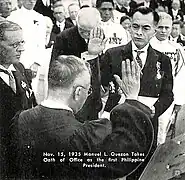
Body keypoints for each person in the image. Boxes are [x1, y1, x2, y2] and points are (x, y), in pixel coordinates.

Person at [11, 51, 154, 179]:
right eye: (88, 89)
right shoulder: (80, 135)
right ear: (78, 92)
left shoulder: (21, 119)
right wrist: (132, 100)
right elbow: (125, 155)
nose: (87, 94)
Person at [94, 7, 173, 164]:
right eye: (135, 26)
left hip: (147, 125)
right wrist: (94, 57)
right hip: (117, 123)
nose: (139, 32)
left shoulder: (163, 60)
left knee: (142, 169)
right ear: (129, 27)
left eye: (145, 28)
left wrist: (154, 110)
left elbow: (168, 95)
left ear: (155, 30)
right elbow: (98, 87)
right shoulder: (112, 55)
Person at [0, 20, 37, 178]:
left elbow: (32, 105)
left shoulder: (20, 68)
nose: (21, 48)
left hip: (23, 156)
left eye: (22, 42)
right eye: (14, 44)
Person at [150, 12, 185, 145]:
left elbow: (181, 74)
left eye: (167, 28)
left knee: (162, 131)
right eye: (160, 27)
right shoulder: (148, 45)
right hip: (148, 94)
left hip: (167, 95)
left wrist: (179, 100)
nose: (163, 31)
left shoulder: (177, 49)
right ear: (155, 27)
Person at [8, 0, 48, 101]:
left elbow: (41, 43)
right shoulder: (12, 17)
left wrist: (37, 63)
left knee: (32, 92)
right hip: (17, 60)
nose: (31, 1)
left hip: (33, 62)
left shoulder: (40, 18)